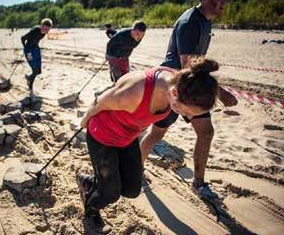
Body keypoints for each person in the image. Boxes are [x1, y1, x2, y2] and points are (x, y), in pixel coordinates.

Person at [78, 59, 220, 228]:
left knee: (131, 189)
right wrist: (84, 122)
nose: (188, 117)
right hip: (102, 136)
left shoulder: (183, 83)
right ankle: (91, 209)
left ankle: (94, 182)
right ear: (174, 94)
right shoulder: (134, 91)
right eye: (186, 112)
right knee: (111, 194)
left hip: (128, 138)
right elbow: (98, 102)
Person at [140, 0, 238, 202]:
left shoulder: (205, 20)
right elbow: (187, 66)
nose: (224, 2)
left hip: (191, 86)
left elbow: (196, 65)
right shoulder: (190, 22)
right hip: (174, 87)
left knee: (206, 132)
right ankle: (137, 170)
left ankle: (199, 184)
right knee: (157, 133)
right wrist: (219, 93)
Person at [21, 18, 52, 99]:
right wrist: (26, 49)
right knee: (35, 70)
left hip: (36, 49)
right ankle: (31, 90)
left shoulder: (44, 33)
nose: (46, 31)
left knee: (38, 71)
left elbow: (36, 40)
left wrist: (36, 47)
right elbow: (22, 38)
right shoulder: (34, 31)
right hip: (29, 51)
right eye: (45, 28)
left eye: (48, 29)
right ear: (41, 26)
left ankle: (29, 78)